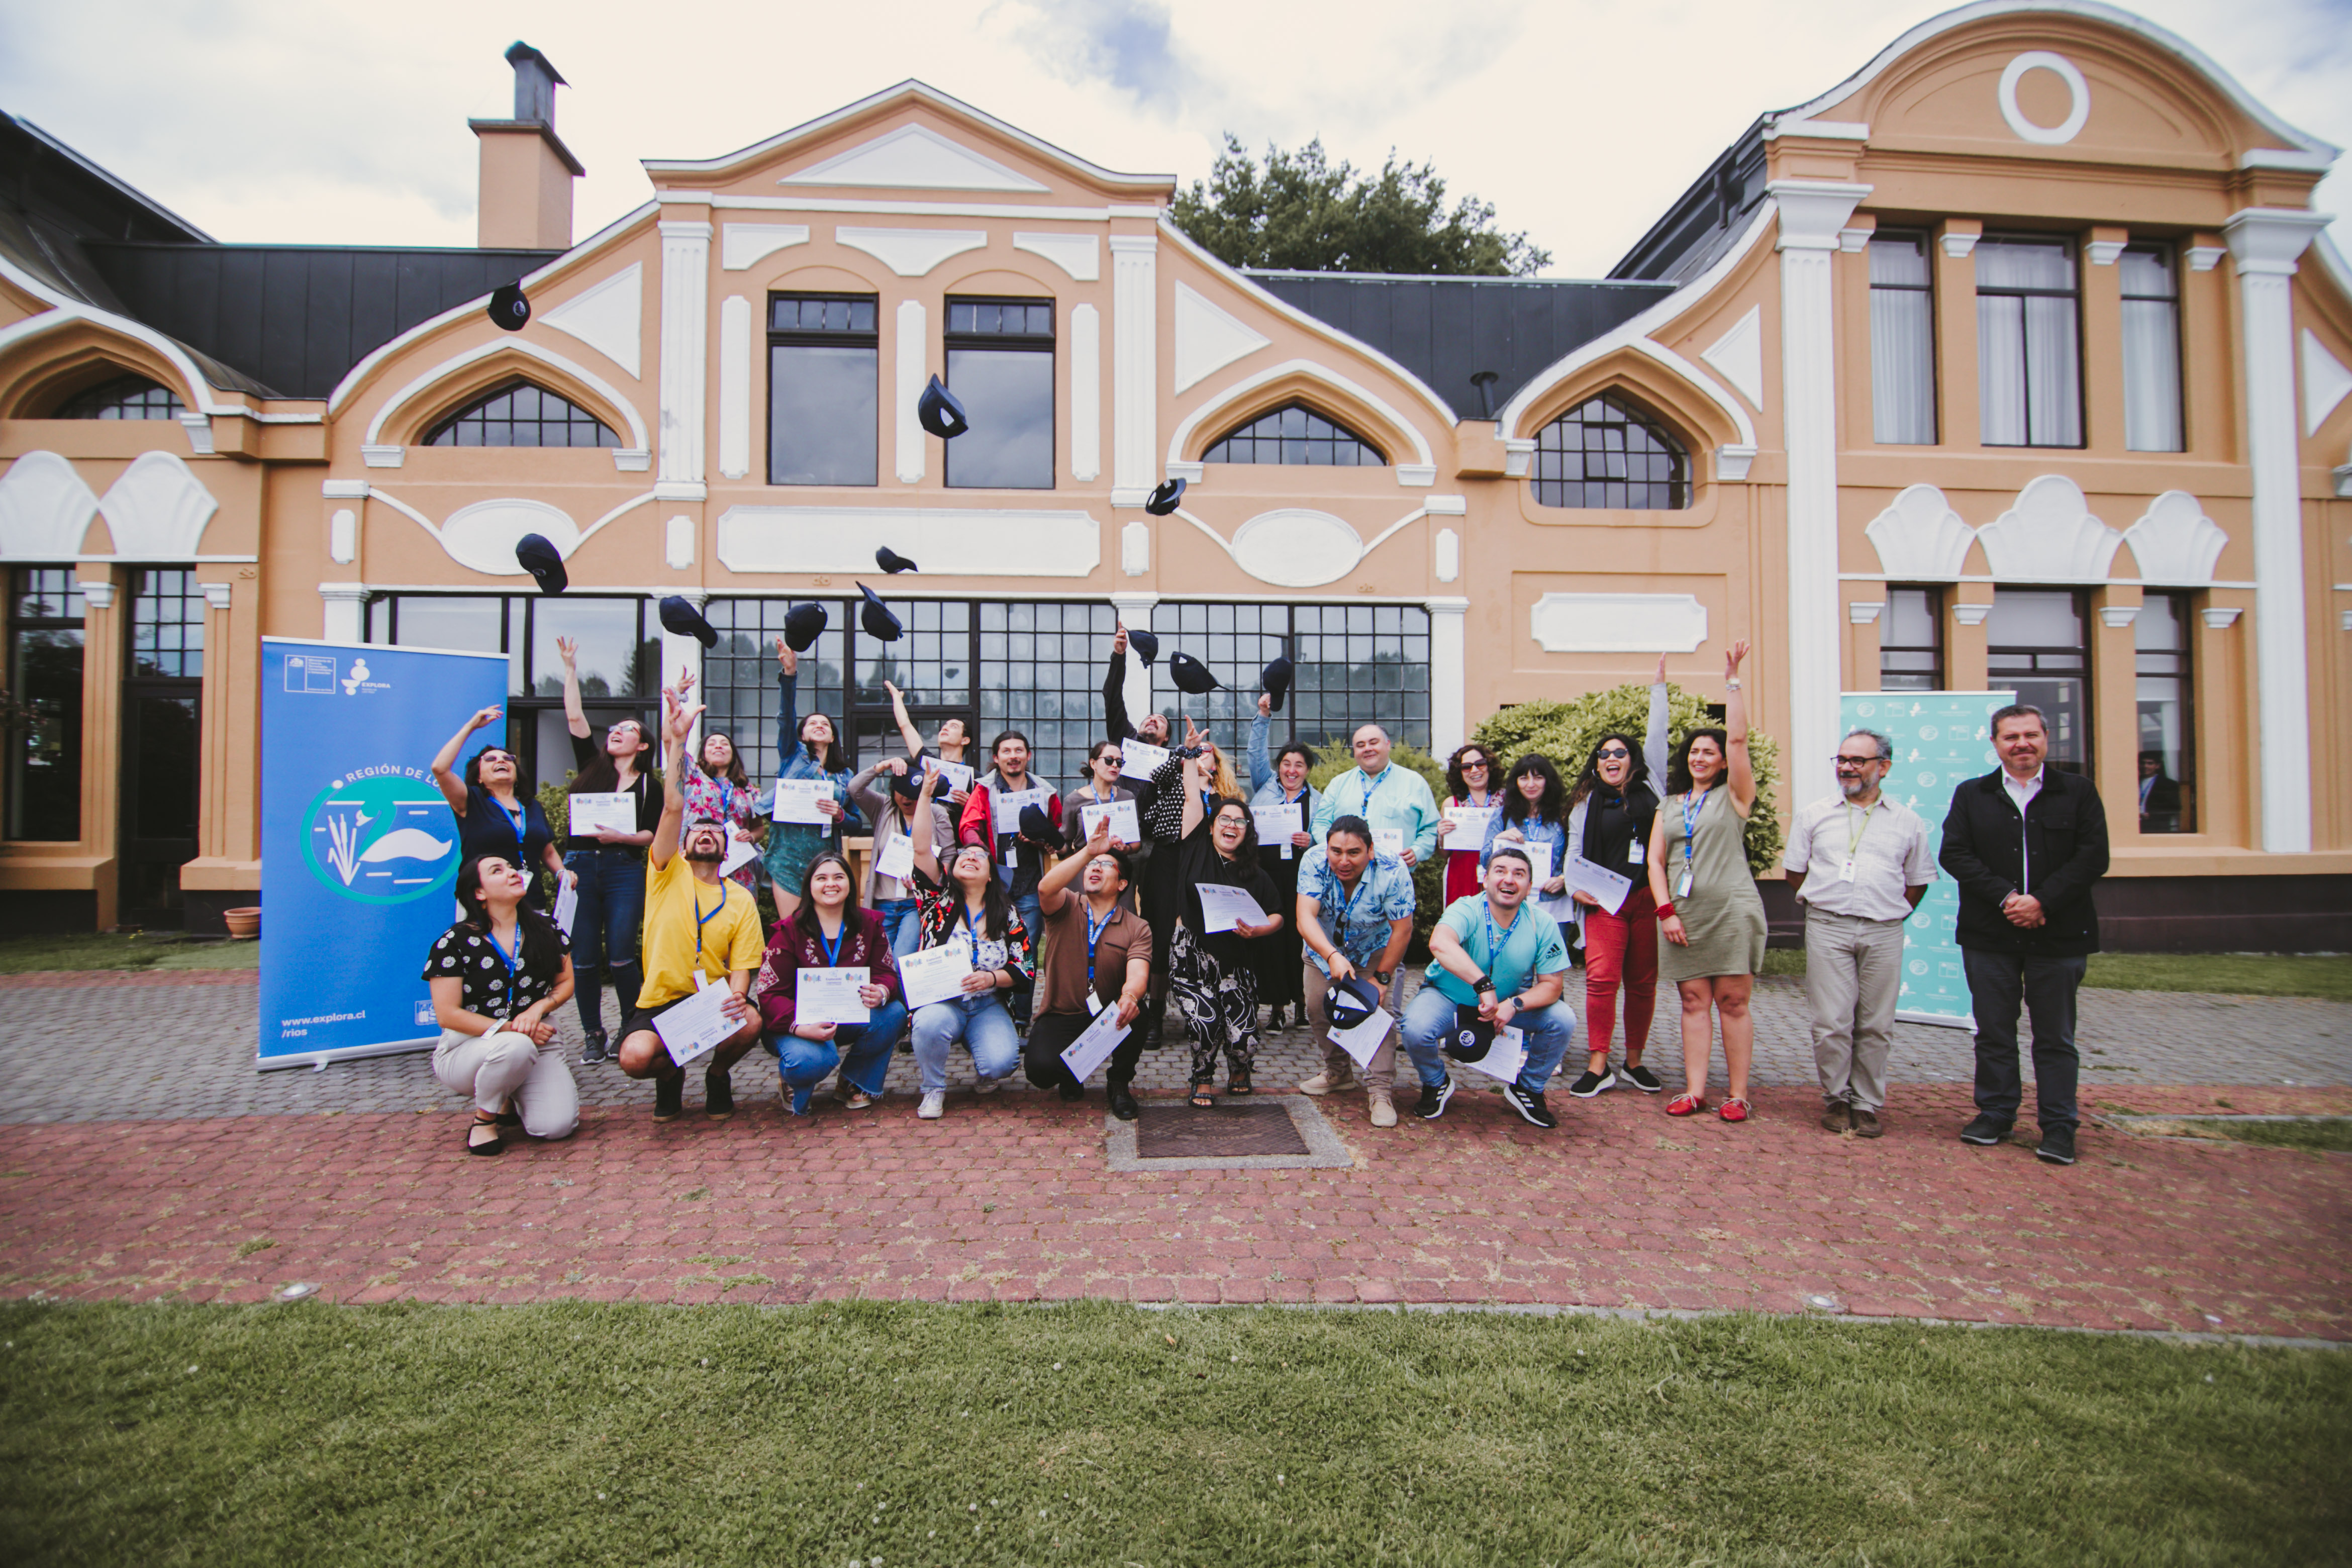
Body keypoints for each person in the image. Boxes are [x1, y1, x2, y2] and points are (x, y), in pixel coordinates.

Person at [1939, 704, 2110, 1166]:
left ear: (2046, 738)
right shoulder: (1972, 794)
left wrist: (2042, 902)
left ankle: (2058, 1125)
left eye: (2030, 735)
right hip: (1990, 936)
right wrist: (2008, 898)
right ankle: (1996, 1114)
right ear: (1995, 743)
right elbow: (1956, 854)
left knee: (2055, 1037)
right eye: (2011, 737)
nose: (2022, 744)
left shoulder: (2077, 792)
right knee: (1994, 1032)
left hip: (2059, 936)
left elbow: (2093, 857)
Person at [612, 689, 766, 1122]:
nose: (707, 834)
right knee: (634, 1058)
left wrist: (738, 997)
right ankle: (670, 1074)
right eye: (698, 831)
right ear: (682, 845)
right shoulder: (665, 873)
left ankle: (718, 1075)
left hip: (712, 997)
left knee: (752, 1022)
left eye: (715, 833)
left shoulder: (740, 898)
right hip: (661, 999)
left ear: (726, 849)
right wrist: (678, 740)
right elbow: (673, 806)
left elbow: (743, 963)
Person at [1784, 728, 1936, 1137]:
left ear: (1883, 767)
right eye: (1842, 759)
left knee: (1876, 1024)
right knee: (1831, 1021)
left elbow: (1917, 881)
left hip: (1884, 930)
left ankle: (1865, 1103)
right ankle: (1836, 1098)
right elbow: (1795, 873)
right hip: (1828, 926)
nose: (1847, 768)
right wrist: (1826, 901)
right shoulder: (1815, 814)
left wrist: (1889, 911)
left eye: (1857, 761)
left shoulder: (1907, 821)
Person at [1648, 640, 1768, 1123]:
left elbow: (1738, 741)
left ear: (1722, 762)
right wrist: (1666, 912)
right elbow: (1656, 863)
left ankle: (1737, 1095)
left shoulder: (1735, 796)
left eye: (1709, 752)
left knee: (1733, 1003)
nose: (1701, 757)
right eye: (1695, 751)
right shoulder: (1670, 804)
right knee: (1693, 1001)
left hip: (1732, 911)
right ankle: (1695, 1091)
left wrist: (1732, 682)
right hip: (1684, 915)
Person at [1400, 846, 1578, 1128]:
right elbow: (1440, 943)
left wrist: (1513, 1005)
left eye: (1519, 874)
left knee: (1562, 1018)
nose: (1509, 880)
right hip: (1448, 998)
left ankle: (1529, 1088)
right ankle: (1436, 1082)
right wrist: (1483, 984)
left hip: (1504, 1004)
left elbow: (1553, 986)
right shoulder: (1466, 908)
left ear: (1529, 886)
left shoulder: (1542, 923)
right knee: (1414, 1029)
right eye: (1500, 871)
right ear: (1485, 879)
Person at [1560, 657, 1672, 1098]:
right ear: (1596, 764)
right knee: (1602, 980)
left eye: (1619, 753)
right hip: (1604, 901)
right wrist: (1575, 889)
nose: (1611, 758)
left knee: (1642, 984)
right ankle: (1598, 1064)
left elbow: (1658, 736)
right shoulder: (1585, 803)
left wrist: (1659, 689)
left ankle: (1635, 1062)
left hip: (1646, 899)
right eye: (1604, 754)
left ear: (1633, 761)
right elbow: (1572, 852)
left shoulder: (1653, 788)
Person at [425, 853, 579, 1154]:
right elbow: (447, 1015)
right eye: (497, 871)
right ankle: (485, 1120)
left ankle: (508, 1091)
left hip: (537, 1036)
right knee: (515, 1046)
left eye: (511, 867)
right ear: (479, 893)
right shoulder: (454, 942)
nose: (512, 872)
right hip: (470, 1045)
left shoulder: (547, 928)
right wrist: (512, 1029)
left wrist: (537, 1010)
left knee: (556, 1127)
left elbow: (565, 983)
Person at [903, 767, 1032, 1119]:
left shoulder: (1007, 914)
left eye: (980, 856)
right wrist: (925, 796)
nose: (971, 856)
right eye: (964, 854)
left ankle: (984, 1067)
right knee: (929, 1024)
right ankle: (933, 1089)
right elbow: (921, 847)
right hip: (942, 1002)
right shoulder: (937, 901)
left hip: (986, 1005)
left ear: (991, 876)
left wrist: (991, 978)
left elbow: (1025, 968)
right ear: (952, 867)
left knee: (1001, 1063)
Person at [555, 636, 658, 1064]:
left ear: (643, 745)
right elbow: (575, 716)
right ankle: (592, 1034)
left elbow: (651, 834)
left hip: (623, 869)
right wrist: (570, 669)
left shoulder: (649, 783)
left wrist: (621, 838)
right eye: (614, 729)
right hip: (580, 867)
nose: (616, 732)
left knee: (620, 956)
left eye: (628, 730)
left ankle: (629, 1027)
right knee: (582, 959)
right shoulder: (591, 766)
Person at [1163, 758, 1286, 1106]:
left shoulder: (1255, 874)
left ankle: (1240, 1068)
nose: (1231, 825)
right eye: (1224, 820)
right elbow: (1192, 797)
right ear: (1211, 826)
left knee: (1243, 1035)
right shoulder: (1195, 850)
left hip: (1236, 964)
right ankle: (1202, 1076)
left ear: (1247, 831)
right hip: (1191, 958)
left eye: (1240, 822)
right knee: (1207, 1021)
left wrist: (1260, 930)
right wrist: (1189, 758)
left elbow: (1278, 915)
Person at [755, 851, 908, 1115]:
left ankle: (853, 1081)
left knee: (893, 1013)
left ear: (850, 884)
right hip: (797, 1024)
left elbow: (886, 973)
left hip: (848, 1016)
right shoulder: (788, 931)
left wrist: (881, 990)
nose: (831, 884)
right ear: (809, 886)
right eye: (821, 878)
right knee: (810, 1061)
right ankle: (792, 1079)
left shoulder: (870, 924)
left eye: (839, 877)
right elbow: (770, 994)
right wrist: (800, 1027)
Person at [1024, 813, 1152, 1116]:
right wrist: (1088, 852)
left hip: (1108, 1015)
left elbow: (1138, 974)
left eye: (1106, 865)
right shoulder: (1067, 904)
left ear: (1122, 884)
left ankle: (1119, 1083)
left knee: (1138, 1011)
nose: (1095, 867)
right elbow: (1045, 889)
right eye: (1092, 865)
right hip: (1062, 1014)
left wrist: (1130, 996)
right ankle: (1072, 1073)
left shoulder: (1137, 926)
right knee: (1040, 1070)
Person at [1293, 814, 1416, 1127]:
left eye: (1354, 853)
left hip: (1372, 950)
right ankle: (1339, 1073)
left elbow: (1403, 929)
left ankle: (1380, 1091)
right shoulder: (1313, 861)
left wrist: (1382, 978)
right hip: (1323, 949)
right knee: (1317, 1009)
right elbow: (1305, 917)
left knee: (1376, 1014)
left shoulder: (1393, 870)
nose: (1343, 861)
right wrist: (1332, 955)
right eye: (1336, 851)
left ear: (1370, 850)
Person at [1139, 718, 1250, 1050]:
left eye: (1206, 752)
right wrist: (1184, 753)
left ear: (1216, 764)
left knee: (1206, 937)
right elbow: (1155, 775)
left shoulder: (1225, 798)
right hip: (1167, 861)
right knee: (1161, 936)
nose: (1201, 754)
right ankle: (1155, 1014)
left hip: (1206, 868)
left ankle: (1206, 1010)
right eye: (1196, 752)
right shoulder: (1174, 780)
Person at [956, 729, 1062, 1027]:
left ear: (1029, 755)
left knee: (1025, 952)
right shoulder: (984, 790)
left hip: (1030, 884)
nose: (1013, 756)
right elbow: (968, 825)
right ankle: (988, 1012)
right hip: (992, 885)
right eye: (1006, 751)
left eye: (1019, 751)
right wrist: (978, 849)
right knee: (991, 946)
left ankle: (1022, 1019)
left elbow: (1056, 831)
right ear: (996, 758)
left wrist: (1042, 839)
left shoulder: (1045, 791)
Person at [762, 639, 862, 920]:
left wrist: (840, 815)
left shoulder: (845, 776)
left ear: (832, 737)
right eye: (812, 723)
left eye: (825, 724)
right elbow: (786, 717)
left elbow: (856, 823)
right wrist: (790, 675)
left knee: (824, 930)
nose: (819, 726)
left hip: (825, 861)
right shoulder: (791, 756)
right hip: (788, 857)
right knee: (793, 928)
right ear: (802, 735)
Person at [429, 707, 567, 909]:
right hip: (484, 904)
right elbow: (439, 768)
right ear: (479, 776)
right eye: (491, 759)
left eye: (508, 759)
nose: (501, 760)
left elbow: (547, 852)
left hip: (531, 903)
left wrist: (562, 873)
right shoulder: (470, 801)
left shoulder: (532, 806)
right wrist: (471, 727)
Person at [1247, 694, 1319, 1030]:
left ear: (1307, 770)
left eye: (1299, 765)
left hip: (1301, 878)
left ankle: (1302, 1004)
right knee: (1272, 941)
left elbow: (1328, 841)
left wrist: (1312, 840)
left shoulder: (1318, 801)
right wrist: (1263, 716)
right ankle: (1277, 1007)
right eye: (1287, 764)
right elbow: (1255, 753)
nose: (1292, 770)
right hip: (1267, 876)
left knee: (1300, 938)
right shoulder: (1265, 785)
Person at [848, 754, 954, 957]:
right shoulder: (883, 807)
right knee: (881, 960)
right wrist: (883, 766)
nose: (906, 799)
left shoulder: (937, 813)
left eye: (912, 793)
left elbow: (949, 856)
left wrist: (929, 881)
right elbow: (854, 789)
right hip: (882, 902)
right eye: (901, 792)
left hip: (916, 903)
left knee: (901, 959)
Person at [1312, 723, 1440, 867]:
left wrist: (1418, 851)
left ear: (1388, 744)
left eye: (1373, 743)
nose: (1367, 749)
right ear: (1354, 751)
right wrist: (1334, 850)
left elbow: (1431, 827)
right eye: (1360, 745)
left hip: (1394, 871)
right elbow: (1321, 823)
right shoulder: (1338, 784)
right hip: (1344, 872)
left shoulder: (1414, 782)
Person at [674, 691, 763, 898]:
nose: (718, 747)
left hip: (738, 866)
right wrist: (676, 703)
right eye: (712, 744)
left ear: (733, 753)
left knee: (739, 911)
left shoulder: (748, 790)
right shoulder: (693, 777)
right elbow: (673, 746)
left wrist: (751, 836)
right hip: (696, 859)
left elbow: (758, 828)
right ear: (704, 753)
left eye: (724, 744)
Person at [1482, 756, 1572, 952]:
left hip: (1554, 904)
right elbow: (1484, 859)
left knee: (1552, 962)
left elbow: (1576, 856)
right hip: (1512, 901)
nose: (1531, 784)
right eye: (1524, 778)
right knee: (1514, 961)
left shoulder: (1564, 815)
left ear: (1548, 781)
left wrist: (1564, 879)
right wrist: (1499, 839)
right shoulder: (1502, 815)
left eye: (1538, 778)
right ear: (1516, 782)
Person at [1434, 742, 1503, 907]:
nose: (1474, 770)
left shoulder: (1506, 800)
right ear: (1459, 772)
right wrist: (1442, 836)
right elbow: (1445, 855)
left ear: (1490, 766)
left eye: (1480, 764)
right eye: (1466, 767)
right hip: (1461, 873)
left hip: (1499, 872)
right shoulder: (1451, 804)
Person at [2137, 751, 2182, 833]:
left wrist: (2151, 815)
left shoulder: (2168, 784)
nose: (2145, 766)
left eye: (2150, 763)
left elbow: (2174, 808)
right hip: (2134, 826)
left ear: (2158, 766)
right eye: (2142, 763)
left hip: (2156, 827)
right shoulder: (2132, 782)